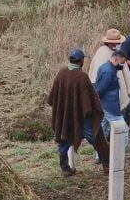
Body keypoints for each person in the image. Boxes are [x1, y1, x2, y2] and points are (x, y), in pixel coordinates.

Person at [47, 48, 110, 177]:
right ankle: (107, 166)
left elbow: (52, 98)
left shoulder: (61, 73)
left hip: (66, 117)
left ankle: (65, 168)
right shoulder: (82, 77)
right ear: (81, 61)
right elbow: (90, 100)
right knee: (97, 138)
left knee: (65, 138)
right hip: (83, 117)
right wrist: (92, 112)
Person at [95, 49, 129, 152]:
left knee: (102, 131)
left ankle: (100, 155)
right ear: (115, 59)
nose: (122, 65)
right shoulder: (109, 72)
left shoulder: (104, 67)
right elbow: (100, 90)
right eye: (121, 63)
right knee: (123, 131)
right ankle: (119, 154)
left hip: (104, 105)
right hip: (110, 107)